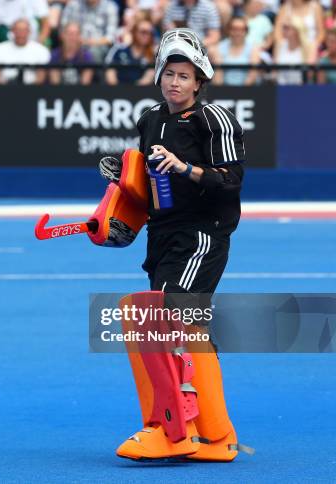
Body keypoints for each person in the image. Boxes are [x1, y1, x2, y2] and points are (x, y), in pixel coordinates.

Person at [101, 28, 250, 462]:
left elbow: (232, 180)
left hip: (203, 233)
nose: (175, 82)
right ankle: (215, 434)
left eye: (184, 75)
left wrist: (186, 168)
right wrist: (123, 192)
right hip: (162, 235)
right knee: (176, 325)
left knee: (168, 317)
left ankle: (174, 429)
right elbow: (149, 187)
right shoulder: (150, 119)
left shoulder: (215, 119)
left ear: (199, 80)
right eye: (169, 73)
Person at [0, 19, 50, 85]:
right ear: (12, 31)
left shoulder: (41, 50)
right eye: (18, 30)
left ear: (29, 32)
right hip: (3, 89)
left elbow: (40, 77)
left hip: (33, 90)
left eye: (24, 30)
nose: (21, 33)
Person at [210, 16, 260, 85]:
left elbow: (253, 75)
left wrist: (240, 93)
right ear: (228, 30)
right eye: (234, 29)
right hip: (223, 91)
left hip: (248, 91)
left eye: (241, 29)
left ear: (246, 31)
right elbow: (218, 77)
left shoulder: (254, 48)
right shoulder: (218, 48)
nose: (238, 33)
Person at [105, 18, 155, 85]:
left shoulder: (153, 55)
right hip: (116, 91)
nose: (147, 36)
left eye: (150, 33)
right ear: (134, 32)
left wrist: (132, 92)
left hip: (141, 93)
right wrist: (119, 91)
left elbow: (147, 79)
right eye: (143, 32)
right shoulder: (119, 49)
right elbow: (110, 73)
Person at [273, 15, 316, 85]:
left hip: (301, 88)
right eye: (283, 27)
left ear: (297, 30)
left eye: (287, 28)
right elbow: (274, 70)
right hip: (281, 87)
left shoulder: (309, 47)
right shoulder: (279, 45)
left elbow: (309, 73)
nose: (283, 30)